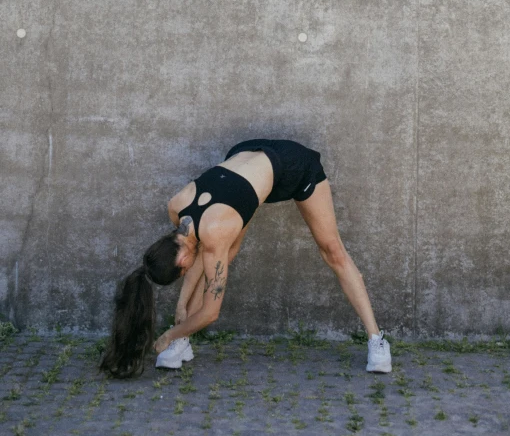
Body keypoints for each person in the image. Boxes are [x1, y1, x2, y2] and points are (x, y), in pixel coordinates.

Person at [99, 138, 392, 378]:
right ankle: (184, 340)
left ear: (180, 256)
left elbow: (211, 312)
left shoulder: (213, 230)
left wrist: (168, 334)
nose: (186, 272)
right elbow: (196, 253)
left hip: (291, 164)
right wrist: (180, 305)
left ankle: (376, 339)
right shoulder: (176, 207)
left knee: (332, 251)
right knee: (219, 252)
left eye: (182, 271)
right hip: (243, 166)